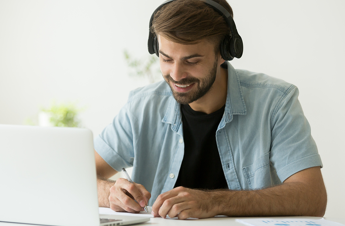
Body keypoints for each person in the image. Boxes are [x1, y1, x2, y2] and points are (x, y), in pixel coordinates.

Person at [94, 0, 327, 220]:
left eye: (192, 61)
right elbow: (74, 175)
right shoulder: (142, 106)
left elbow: (312, 197)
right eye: (166, 59)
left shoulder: (275, 102)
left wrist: (212, 202)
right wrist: (110, 192)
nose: (176, 75)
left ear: (224, 53)